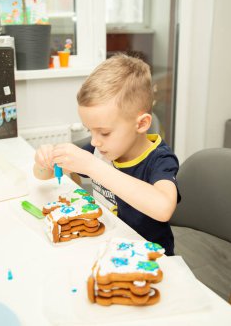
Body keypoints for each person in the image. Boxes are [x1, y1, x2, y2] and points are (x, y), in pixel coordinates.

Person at [34, 54, 180, 256]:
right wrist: (45, 160)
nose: (94, 141)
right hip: (109, 246)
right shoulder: (100, 149)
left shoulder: (160, 159)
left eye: (104, 132)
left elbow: (163, 208)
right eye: (90, 131)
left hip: (150, 257)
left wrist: (93, 166)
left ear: (141, 123)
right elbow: (42, 175)